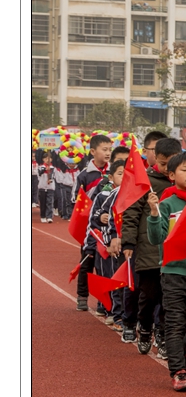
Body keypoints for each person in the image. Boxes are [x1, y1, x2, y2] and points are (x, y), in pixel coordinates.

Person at [146, 151, 186, 391]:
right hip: (173, 273)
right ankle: (178, 371)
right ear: (172, 175)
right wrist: (153, 212)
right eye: (184, 170)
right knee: (174, 323)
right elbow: (156, 237)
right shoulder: (167, 204)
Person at [121, 137, 181, 356]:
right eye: (163, 163)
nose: (166, 168)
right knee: (149, 295)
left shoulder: (183, 183)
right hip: (148, 248)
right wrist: (128, 241)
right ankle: (145, 328)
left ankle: (163, 335)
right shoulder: (145, 181)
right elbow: (131, 211)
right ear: (155, 158)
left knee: (169, 297)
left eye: (171, 163)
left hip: (174, 251)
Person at [73, 134, 113, 312]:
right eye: (104, 150)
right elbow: (77, 200)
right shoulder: (84, 175)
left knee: (105, 265)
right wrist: (98, 189)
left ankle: (105, 300)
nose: (108, 153)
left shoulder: (114, 172)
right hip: (91, 227)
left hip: (109, 226)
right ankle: (82, 296)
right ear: (92, 151)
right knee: (87, 261)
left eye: (110, 150)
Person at [89, 160, 125, 328]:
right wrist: (102, 217)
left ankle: (123, 313)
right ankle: (114, 312)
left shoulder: (137, 193)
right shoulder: (108, 194)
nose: (124, 177)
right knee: (112, 278)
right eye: (120, 173)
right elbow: (98, 214)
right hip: (110, 244)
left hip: (130, 245)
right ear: (111, 177)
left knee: (126, 281)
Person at [36, 152, 56, 223]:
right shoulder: (40, 167)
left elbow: (53, 176)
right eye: (46, 158)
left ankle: (49, 216)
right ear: (43, 159)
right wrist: (45, 169)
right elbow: (39, 174)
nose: (48, 160)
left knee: (50, 202)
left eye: (49, 158)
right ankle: (43, 216)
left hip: (50, 187)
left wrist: (50, 179)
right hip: (42, 187)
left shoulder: (53, 168)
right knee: (43, 202)